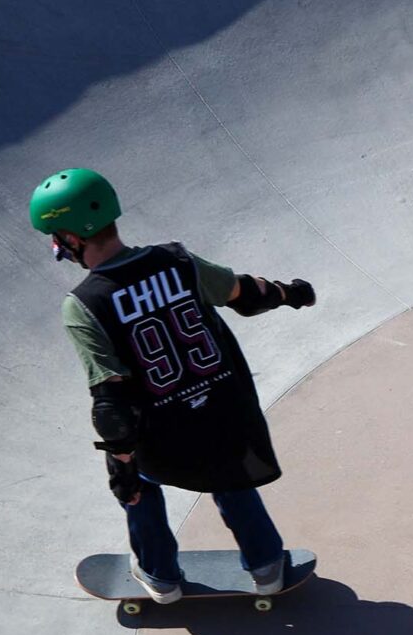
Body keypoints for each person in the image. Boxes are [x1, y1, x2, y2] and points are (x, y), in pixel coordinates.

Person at [29, 167, 316, 600]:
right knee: (228, 471)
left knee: (137, 481)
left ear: (72, 237)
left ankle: (159, 575)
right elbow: (245, 293)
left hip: (164, 438)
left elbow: (112, 405)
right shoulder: (176, 260)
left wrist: (121, 465)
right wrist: (290, 293)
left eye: (55, 235)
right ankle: (266, 565)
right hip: (226, 411)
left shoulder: (83, 305)